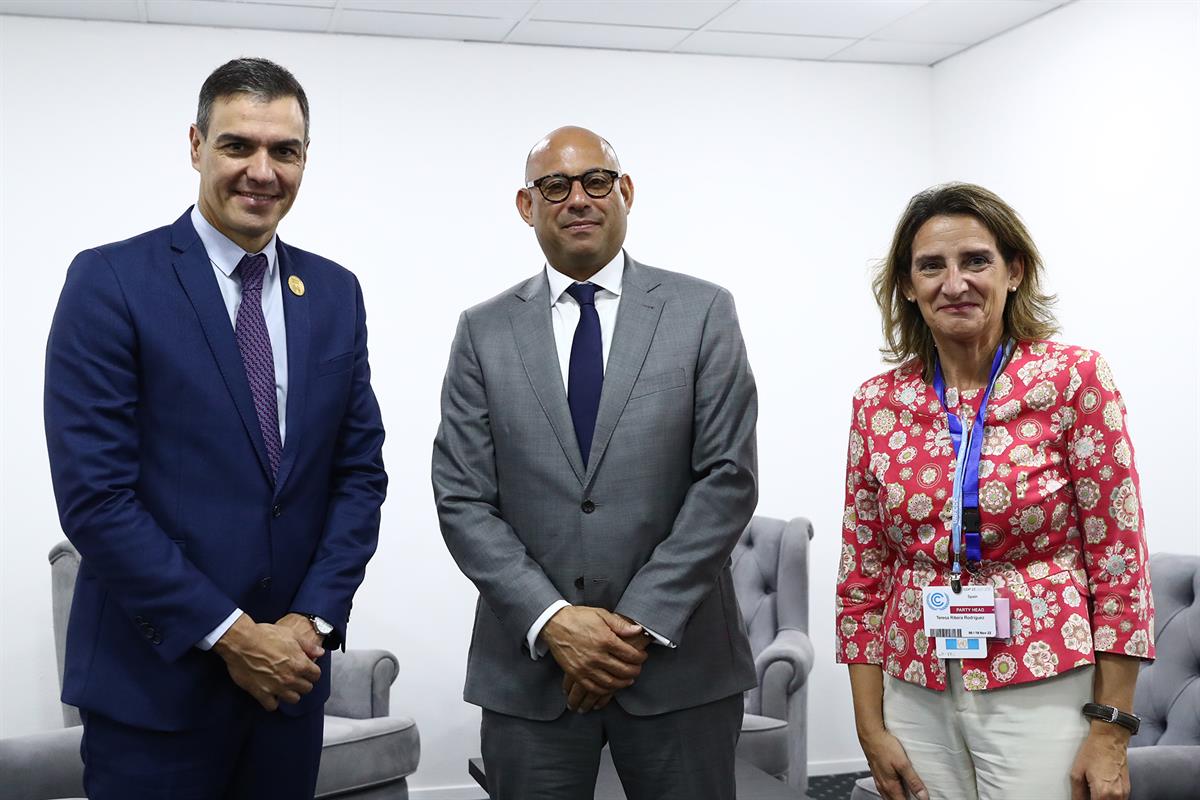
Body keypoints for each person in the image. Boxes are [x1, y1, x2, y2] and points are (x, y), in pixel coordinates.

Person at [43, 58, 387, 799]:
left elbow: (358, 475)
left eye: (284, 151)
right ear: (195, 145)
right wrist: (233, 634)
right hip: (154, 696)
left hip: (288, 691)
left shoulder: (334, 292)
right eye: (238, 145)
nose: (262, 171)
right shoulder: (110, 282)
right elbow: (96, 498)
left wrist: (312, 622)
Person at [432, 126, 758, 800]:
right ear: (527, 205)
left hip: (679, 669)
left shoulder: (702, 312)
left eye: (596, 181)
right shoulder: (482, 332)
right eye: (555, 185)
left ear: (625, 192)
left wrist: (631, 629)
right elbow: (462, 498)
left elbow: (727, 479)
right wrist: (554, 621)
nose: (577, 198)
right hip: (530, 677)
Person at [836, 183, 1154, 800]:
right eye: (931, 266)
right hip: (914, 687)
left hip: (1042, 683)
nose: (954, 283)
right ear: (906, 285)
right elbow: (862, 575)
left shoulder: (1072, 379)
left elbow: (1119, 563)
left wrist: (1112, 732)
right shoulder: (877, 402)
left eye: (975, 261)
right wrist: (869, 726)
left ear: (1014, 271)